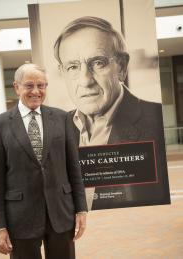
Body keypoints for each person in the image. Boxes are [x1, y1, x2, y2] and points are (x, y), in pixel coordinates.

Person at [54, 16, 169, 210]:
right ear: (63, 72)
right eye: (73, 67)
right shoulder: (58, 127)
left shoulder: (156, 121)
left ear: (122, 67)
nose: (85, 80)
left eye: (98, 63)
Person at [0, 63, 87, 259]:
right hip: (20, 218)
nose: (36, 91)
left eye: (41, 85)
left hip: (60, 212)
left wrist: (81, 209)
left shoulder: (61, 118)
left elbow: (74, 168)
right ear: (16, 87)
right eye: (29, 85)